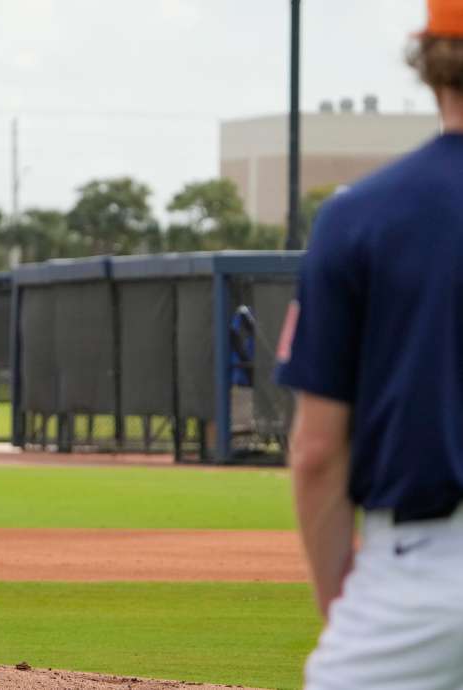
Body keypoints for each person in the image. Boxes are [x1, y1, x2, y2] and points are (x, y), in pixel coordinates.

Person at [277, 0, 463, 687]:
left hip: (425, 570)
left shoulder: (363, 216)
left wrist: (345, 607)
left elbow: (319, 451)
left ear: (430, 61)